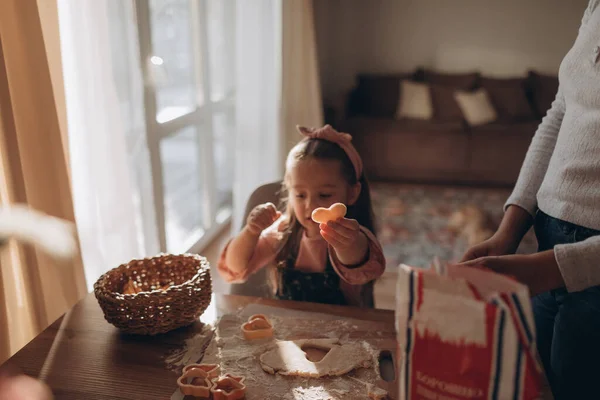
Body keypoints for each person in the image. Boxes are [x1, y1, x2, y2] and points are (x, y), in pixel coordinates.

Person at [460, 1, 600, 398]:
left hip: (589, 265)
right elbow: (559, 114)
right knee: (532, 384)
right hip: (547, 241)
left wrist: (553, 268)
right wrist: (509, 230)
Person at [219, 125, 385, 307]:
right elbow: (236, 267)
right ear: (289, 192)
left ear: (352, 193)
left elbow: (358, 262)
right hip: (287, 329)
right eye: (300, 195)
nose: (311, 206)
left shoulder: (352, 235)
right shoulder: (282, 232)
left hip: (340, 331)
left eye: (324, 195)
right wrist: (251, 232)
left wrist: (347, 244)